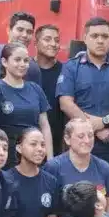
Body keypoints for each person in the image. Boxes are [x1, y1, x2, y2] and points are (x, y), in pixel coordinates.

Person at [56, 17, 109, 163]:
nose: (100, 41)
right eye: (94, 36)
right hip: (79, 143)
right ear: (85, 39)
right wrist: (94, 128)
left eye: (105, 36)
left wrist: (104, 121)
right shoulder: (71, 67)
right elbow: (66, 103)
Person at [45, 117, 109, 217]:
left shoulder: (104, 167)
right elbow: (44, 207)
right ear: (67, 139)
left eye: (90, 135)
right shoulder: (54, 167)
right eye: (81, 136)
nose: (87, 140)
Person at [0, 42, 53, 167]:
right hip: (7, 157)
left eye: (26, 60)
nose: (23, 64)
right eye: (17, 60)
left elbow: (44, 125)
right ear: (4, 62)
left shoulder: (35, 89)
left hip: (34, 155)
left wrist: (50, 158)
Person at [32, 24, 64, 154]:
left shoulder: (66, 71)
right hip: (29, 138)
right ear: (35, 43)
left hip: (58, 142)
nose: (53, 44)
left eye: (57, 40)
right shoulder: (26, 69)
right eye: (47, 39)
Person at [0, 12, 40, 81]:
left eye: (29, 32)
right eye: (20, 30)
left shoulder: (33, 68)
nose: (25, 35)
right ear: (8, 30)